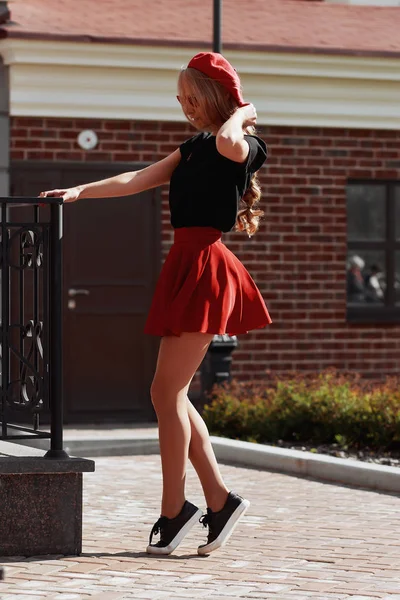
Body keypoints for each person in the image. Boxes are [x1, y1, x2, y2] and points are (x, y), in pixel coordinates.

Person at [39, 52, 272, 556]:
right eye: (180, 100)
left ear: (216, 98)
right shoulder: (191, 149)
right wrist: (80, 191)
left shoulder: (245, 144)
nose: (185, 107)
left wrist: (244, 112)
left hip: (208, 266)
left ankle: (176, 510)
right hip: (185, 264)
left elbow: (232, 140)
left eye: (192, 98)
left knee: (165, 393)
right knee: (172, 394)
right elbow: (137, 179)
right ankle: (216, 502)